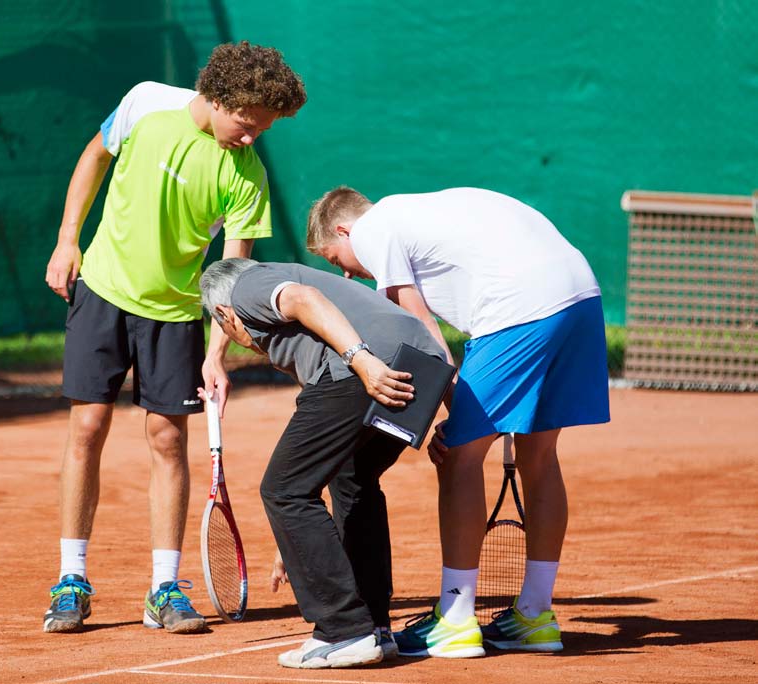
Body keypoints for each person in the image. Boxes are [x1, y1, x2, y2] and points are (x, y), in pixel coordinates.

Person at [41, 42, 306, 634]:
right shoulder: (146, 103)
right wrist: (67, 239)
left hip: (177, 313)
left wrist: (218, 353)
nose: (252, 137)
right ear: (218, 98)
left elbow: (231, 278)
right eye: (247, 122)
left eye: (263, 129)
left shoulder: (247, 175)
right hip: (103, 289)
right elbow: (94, 156)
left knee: (166, 439)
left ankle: (164, 587)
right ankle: (70, 579)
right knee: (87, 426)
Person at [306, 186, 610, 656]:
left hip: (521, 306)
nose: (347, 271)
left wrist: (455, 408)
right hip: (581, 297)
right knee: (541, 457)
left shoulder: (373, 229)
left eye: (336, 258)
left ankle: (455, 618)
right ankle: (535, 616)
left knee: (457, 457)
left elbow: (422, 332)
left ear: (344, 229)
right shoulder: (424, 211)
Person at [199, 257, 449, 668]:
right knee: (354, 478)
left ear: (224, 315)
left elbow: (302, 299)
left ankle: (344, 629)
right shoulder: (299, 303)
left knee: (283, 489)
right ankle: (374, 626)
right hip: (423, 369)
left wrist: (361, 359)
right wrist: (300, 542)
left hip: (371, 366)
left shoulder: (249, 288)